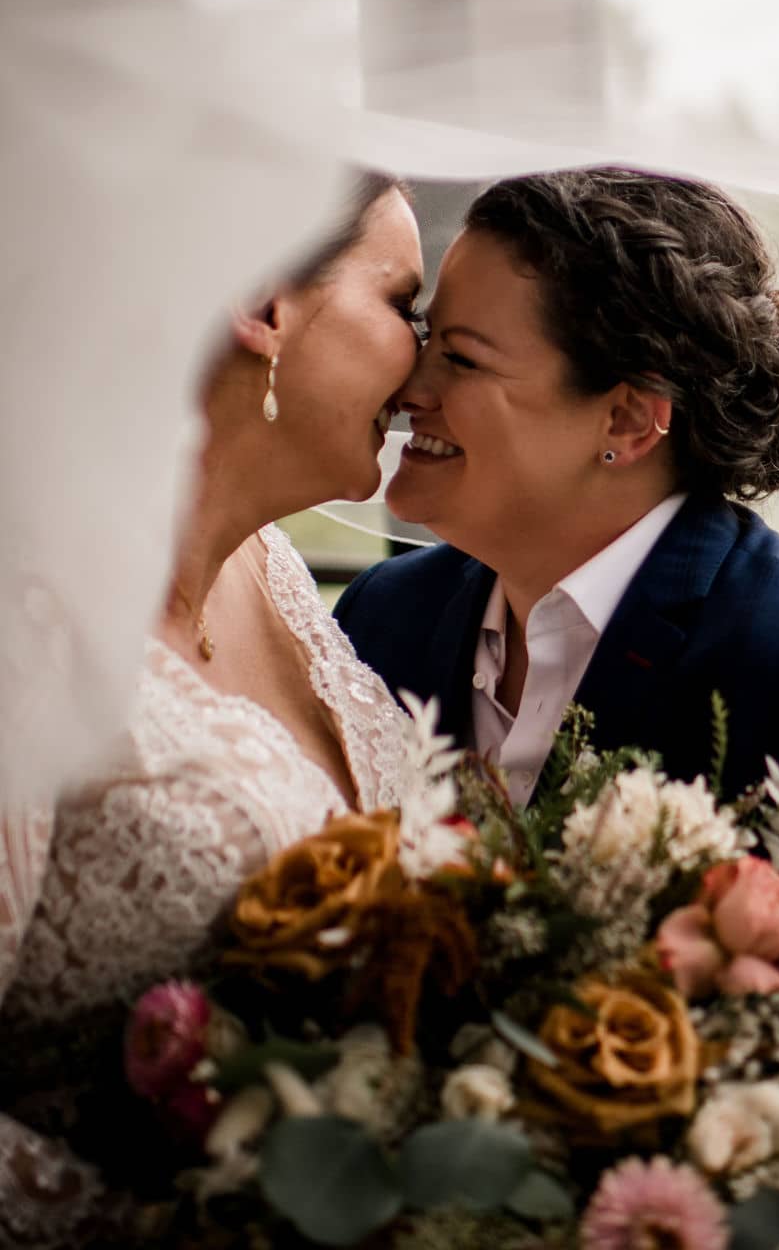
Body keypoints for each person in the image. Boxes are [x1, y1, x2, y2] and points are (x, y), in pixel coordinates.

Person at [336, 165, 779, 957]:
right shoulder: (381, 619)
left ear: (627, 420)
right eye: (424, 337)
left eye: (461, 358)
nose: (408, 384)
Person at [0, 172, 424, 1245]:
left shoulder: (277, 573)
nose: (425, 368)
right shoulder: (27, 611)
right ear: (266, 308)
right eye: (401, 306)